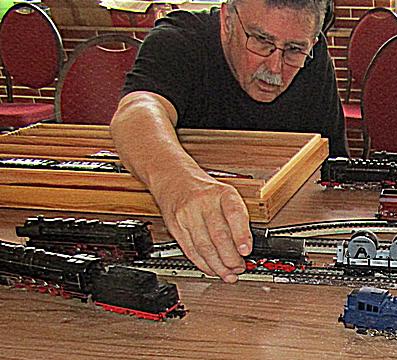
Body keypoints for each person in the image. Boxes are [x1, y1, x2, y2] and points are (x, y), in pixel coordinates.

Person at [111, 0, 346, 283]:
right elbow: (136, 111)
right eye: (261, 41)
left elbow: (333, 172)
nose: (275, 68)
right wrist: (180, 185)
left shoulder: (314, 58)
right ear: (227, 21)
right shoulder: (180, 38)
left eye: (294, 50)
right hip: (177, 246)